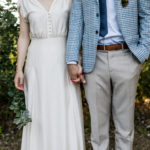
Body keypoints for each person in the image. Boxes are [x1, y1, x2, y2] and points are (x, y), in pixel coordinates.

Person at [66, 0, 150, 149]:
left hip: (127, 56)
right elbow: (76, 20)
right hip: (94, 58)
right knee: (98, 129)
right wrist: (72, 59)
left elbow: (147, 14)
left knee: (125, 128)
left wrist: (143, 51)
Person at [14, 0, 85, 149]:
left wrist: (77, 59)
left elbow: (77, 30)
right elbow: (23, 36)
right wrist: (19, 68)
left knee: (65, 108)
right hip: (36, 63)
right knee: (39, 112)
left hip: (65, 61)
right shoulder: (25, 2)